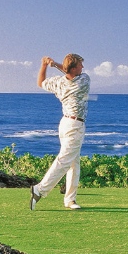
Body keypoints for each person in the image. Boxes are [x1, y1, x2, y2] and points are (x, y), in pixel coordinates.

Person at [31, 53, 89, 211]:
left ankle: (70, 200)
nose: (83, 67)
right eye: (80, 65)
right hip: (74, 125)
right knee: (65, 160)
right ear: (74, 68)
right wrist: (55, 64)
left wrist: (44, 65)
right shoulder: (84, 80)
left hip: (65, 123)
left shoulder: (59, 82)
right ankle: (40, 189)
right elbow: (68, 72)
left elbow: (40, 82)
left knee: (73, 163)